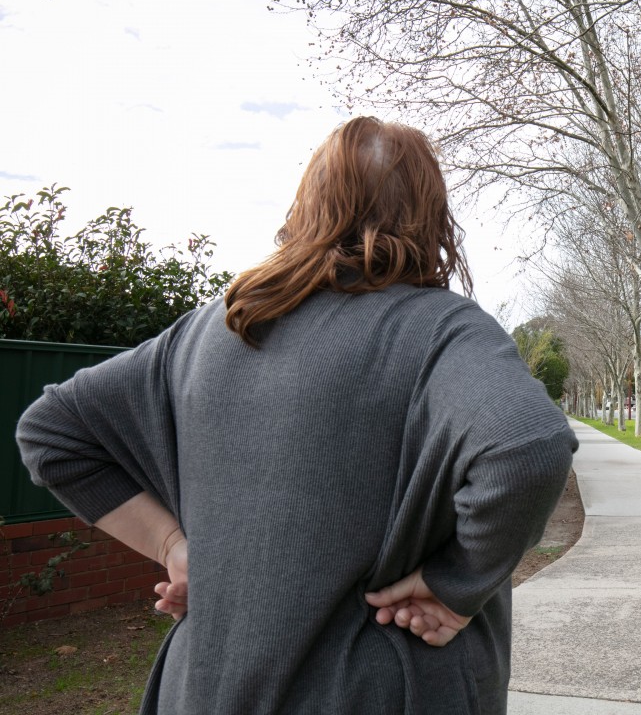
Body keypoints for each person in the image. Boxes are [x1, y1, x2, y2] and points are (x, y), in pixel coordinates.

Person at [16, 116, 577, 714]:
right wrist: (457, 585)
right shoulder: (444, 331)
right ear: (430, 213)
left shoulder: (211, 329)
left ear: (308, 203)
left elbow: (51, 433)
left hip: (201, 690)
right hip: (379, 691)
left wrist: (174, 545)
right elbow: (527, 447)